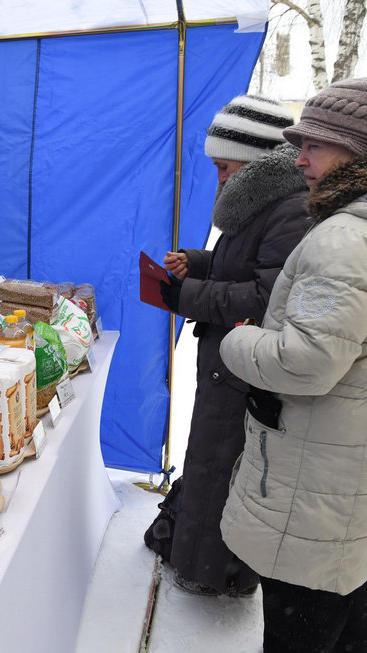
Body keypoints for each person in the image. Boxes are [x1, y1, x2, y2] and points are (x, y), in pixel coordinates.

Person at [219, 78, 367, 652]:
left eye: (315, 145)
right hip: (343, 479)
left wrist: (241, 342)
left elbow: (307, 363)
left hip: (316, 488)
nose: (298, 158)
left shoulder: (342, 241)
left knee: (299, 630)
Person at [143, 95, 309, 597]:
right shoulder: (260, 202)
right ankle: (197, 563)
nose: (218, 177)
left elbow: (266, 297)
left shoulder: (288, 209)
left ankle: (215, 574)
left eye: (224, 166)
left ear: (256, 161)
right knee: (211, 462)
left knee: (225, 468)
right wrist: (197, 262)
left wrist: (185, 294)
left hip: (244, 366)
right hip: (228, 361)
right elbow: (240, 265)